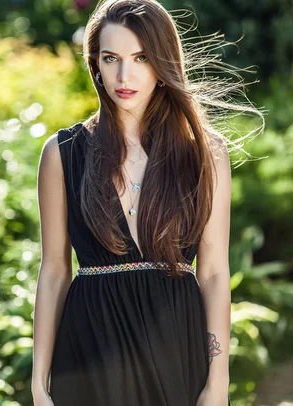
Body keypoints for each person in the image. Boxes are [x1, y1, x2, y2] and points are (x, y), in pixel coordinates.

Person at [31, 0, 263, 405]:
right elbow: (53, 272)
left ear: (163, 63)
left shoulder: (205, 154)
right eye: (111, 58)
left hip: (178, 346)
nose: (125, 74)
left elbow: (212, 273)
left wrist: (218, 380)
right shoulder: (62, 153)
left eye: (141, 57)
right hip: (90, 353)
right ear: (95, 65)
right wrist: (38, 383)